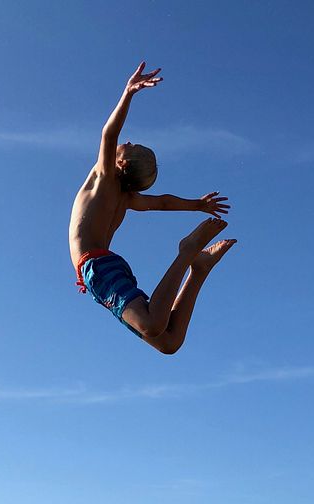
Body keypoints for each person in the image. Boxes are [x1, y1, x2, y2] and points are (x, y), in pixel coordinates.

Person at [68, 62, 236, 354]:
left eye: (128, 146)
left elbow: (109, 133)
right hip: (106, 265)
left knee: (152, 325)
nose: (126, 141)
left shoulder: (105, 179)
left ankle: (187, 251)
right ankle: (199, 270)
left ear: (120, 163)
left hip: (96, 266)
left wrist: (128, 93)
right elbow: (163, 202)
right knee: (169, 342)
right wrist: (197, 205)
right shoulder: (127, 197)